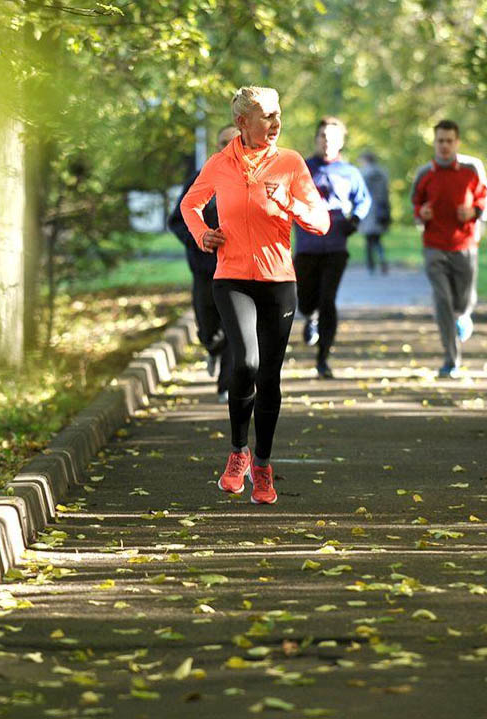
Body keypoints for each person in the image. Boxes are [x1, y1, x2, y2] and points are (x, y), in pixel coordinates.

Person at [180, 86, 329, 505]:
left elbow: (321, 222)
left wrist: (292, 206)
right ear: (243, 123)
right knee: (245, 361)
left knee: (269, 376)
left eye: (279, 114)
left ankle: (262, 465)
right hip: (231, 277)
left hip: (278, 281)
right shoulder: (220, 164)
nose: (276, 123)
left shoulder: (290, 163)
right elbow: (190, 206)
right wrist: (202, 234)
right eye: (267, 116)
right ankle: (238, 452)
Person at [293, 117, 371, 379]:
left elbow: (363, 201)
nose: (327, 141)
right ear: (316, 139)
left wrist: (355, 221)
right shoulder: (301, 168)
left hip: (336, 245)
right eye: (323, 136)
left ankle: (323, 358)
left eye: (333, 137)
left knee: (328, 299)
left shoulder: (350, 173)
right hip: (307, 246)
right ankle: (309, 316)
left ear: (341, 142)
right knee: (306, 299)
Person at [411, 119, 487, 378]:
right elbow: (415, 206)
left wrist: (473, 211)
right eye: (440, 141)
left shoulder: (471, 168)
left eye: (449, 141)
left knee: (464, 300)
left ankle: (465, 315)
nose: (444, 145)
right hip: (434, 245)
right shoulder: (425, 173)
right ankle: (450, 359)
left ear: (457, 142)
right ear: (434, 143)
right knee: (443, 300)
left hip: (465, 244)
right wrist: (421, 212)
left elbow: (485, 201)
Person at [169, 125, 240, 402]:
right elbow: (177, 220)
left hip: (236, 272)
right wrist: (199, 238)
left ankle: (226, 385)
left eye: (234, 143)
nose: (228, 148)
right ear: (216, 146)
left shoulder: (251, 181)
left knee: (235, 328)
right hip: (204, 271)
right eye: (223, 142)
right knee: (209, 331)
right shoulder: (200, 180)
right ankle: (212, 349)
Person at [358, 151, 391, 274]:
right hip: (380, 210)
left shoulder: (363, 174)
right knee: (377, 240)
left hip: (368, 212)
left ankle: (371, 266)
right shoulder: (382, 174)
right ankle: (382, 260)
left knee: (369, 240)